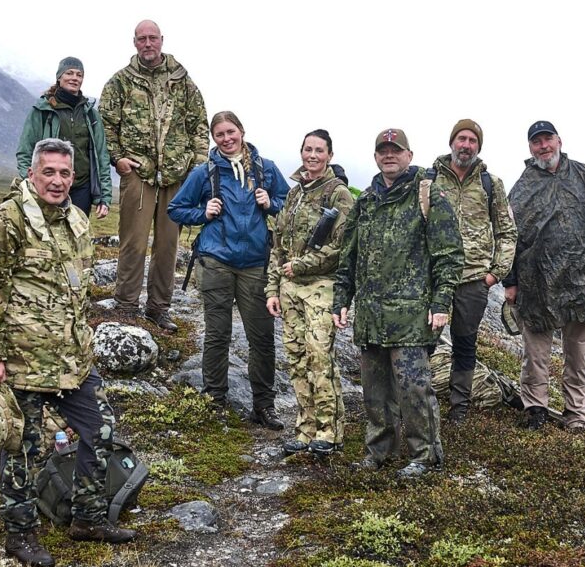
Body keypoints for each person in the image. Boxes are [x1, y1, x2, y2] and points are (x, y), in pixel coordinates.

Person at [0, 138, 134, 567]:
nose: (58, 181)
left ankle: (88, 518)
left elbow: (75, 292)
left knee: (99, 430)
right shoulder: (4, 222)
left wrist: (85, 340)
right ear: (32, 173)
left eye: (65, 174)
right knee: (22, 446)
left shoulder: (77, 220)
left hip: (73, 360)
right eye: (49, 172)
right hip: (23, 359)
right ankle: (19, 533)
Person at [333, 128, 463, 477]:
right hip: (371, 316)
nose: (389, 155)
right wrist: (341, 299)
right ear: (376, 156)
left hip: (411, 316)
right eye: (382, 150)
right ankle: (379, 452)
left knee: (414, 390)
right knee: (375, 393)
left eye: (396, 150)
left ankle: (425, 455)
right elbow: (349, 256)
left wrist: (441, 303)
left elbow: (449, 255)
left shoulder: (428, 194)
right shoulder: (366, 202)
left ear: (409, 154)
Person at [168, 111, 289, 428]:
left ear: (242, 131)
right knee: (217, 335)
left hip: (254, 265)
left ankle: (263, 406)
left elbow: (288, 203)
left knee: (262, 339)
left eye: (230, 132)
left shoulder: (265, 169)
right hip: (216, 262)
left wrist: (271, 204)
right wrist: (202, 212)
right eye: (219, 134)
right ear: (214, 138)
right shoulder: (204, 172)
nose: (226, 138)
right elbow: (175, 209)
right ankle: (214, 401)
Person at [100, 20, 209, 332]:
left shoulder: (182, 80)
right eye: (141, 39)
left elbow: (199, 124)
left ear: (162, 40)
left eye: (152, 38)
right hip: (139, 172)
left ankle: (159, 308)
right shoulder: (120, 82)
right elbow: (105, 124)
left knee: (167, 245)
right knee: (133, 242)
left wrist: (198, 167)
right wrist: (117, 158)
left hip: (177, 174)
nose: (148, 43)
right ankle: (126, 305)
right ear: (134, 43)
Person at [504, 120, 585, 431]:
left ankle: (577, 414)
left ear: (559, 140)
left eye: (547, 139)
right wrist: (510, 282)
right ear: (530, 147)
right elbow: (509, 236)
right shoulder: (522, 186)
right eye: (536, 142)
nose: (543, 146)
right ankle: (535, 409)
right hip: (535, 285)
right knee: (535, 354)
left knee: (579, 355)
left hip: (583, 284)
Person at [266, 129, 354, 456]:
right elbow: (278, 245)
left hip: (321, 287)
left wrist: (302, 265)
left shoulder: (339, 194)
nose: (312, 155)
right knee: (297, 358)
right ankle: (305, 429)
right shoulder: (294, 193)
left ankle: (330, 431)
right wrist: (272, 288)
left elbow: (342, 247)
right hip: (289, 290)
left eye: (319, 150)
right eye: (308, 149)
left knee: (319, 357)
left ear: (330, 155)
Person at [431, 118, 517, 422]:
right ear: (451, 142)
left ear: (478, 146)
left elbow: (507, 232)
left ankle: (459, 410)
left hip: (473, 280)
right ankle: (420, 406)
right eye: (461, 139)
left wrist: (494, 274)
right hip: (435, 278)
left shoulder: (490, 184)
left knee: (465, 343)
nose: (465, 145)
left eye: (472, 141)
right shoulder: (429, 180)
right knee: (425, 341)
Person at [15, 56, 112, 219]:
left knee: (77, 237)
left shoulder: (91, 114)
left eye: (79, 75)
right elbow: (25, 152)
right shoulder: (42, 111)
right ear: (59, 77)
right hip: (50, 186)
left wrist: (105, 197)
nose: (74, 78)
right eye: (69, 73)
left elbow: (102, 156)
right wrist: (33, 184)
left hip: (82, 188)